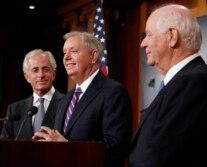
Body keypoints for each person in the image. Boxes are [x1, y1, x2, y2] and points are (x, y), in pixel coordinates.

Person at [128, 4, 207, 167]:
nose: (143, 43)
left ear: (172, 36)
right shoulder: (184, 81)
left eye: (149, 35)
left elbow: (158, 159)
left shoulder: (192, 83)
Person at [32, 31, 133, 167]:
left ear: (93, 56)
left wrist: (67, 146)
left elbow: (117, 148)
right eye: (64, 53)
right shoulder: (66, 99)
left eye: (73, 51)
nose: (66, 58)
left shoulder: (114, 92)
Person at [0, 49, 64, 140]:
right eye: (35, 70)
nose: (41, 75)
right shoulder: (15, 110)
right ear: (27, 77)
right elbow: (4, 146)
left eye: (45, 69)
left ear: (54, 74)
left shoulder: (67, 103)